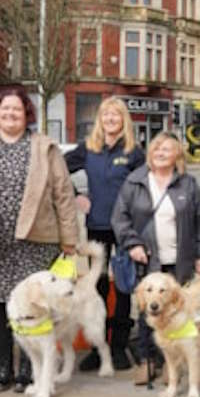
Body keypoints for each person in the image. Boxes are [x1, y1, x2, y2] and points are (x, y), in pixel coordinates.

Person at [0, 88, 78, 393]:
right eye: (4, 109)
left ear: (27, 115)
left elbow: (63, 194)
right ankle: (4, 368)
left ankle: (27, 369)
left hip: (36, 240)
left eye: (17, 110)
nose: (10, 114)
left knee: (35, 304)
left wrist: (69, 239)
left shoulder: (44, 147)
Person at [111, 132, 200, 370]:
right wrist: (133, 243)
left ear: (177, 153)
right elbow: (119, 217)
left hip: (180, 261)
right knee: (150, 311)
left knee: (178, 312)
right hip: (147, 260)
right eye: (156, 148)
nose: (160, 153)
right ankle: (147, 361)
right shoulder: (135, 182)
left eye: (166, 149)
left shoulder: (188, 183)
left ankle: (173, 364)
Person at [64, 97, 144, 373]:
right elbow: (58, 170)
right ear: (100, 119)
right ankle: (100, 348)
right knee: (96, 288)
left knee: (123, 287)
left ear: (124, 120)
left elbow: (147, 187)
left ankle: (120, 347)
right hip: (97, 225)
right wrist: (76, 197)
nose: (111, 119)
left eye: (116, 115)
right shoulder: (89, 149)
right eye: (106, 114)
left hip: (124, 228)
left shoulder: (134, 152)